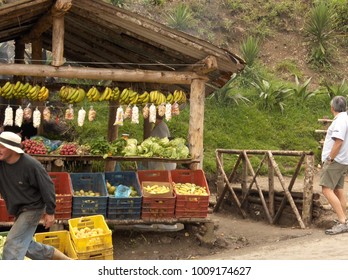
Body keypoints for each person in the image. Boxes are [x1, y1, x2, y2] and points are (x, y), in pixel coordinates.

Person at [0, 131, 70, 260]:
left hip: (33, 208)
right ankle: (66, 261)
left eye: (2, 146)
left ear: (13, 149)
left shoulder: (31, 165)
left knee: (12, 245)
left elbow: (48, 186)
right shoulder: (2, 163)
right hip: (18, 210)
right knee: (26, 246)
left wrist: (50, 212)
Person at [320, 96, 348, 235]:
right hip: (342, 160)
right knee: (338, 190)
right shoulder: (345, 119)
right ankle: (344, 219)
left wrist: (330, 158)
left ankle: (342, 221)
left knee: (326, 189)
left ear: (332, 108)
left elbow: (338, 141)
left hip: (336, 161)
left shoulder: (340, 121)